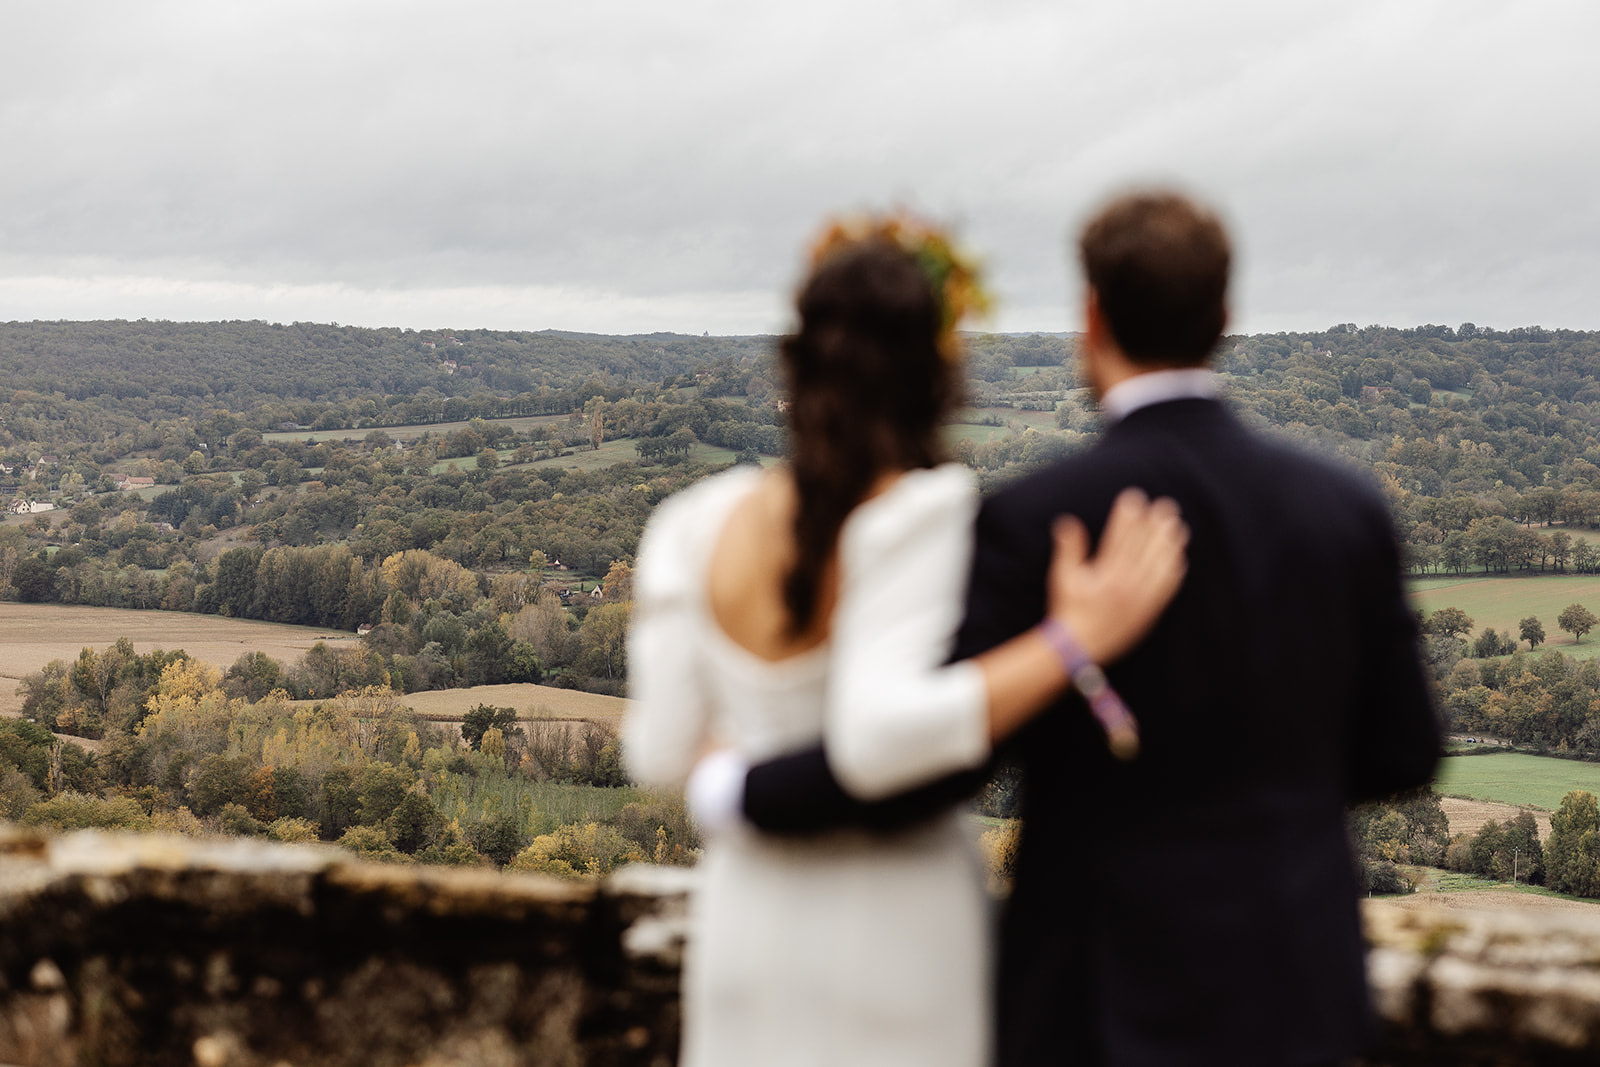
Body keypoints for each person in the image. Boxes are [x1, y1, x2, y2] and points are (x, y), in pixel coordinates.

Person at [711, 192, 1442, 1065]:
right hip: (1296, 984)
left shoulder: (1040, 518)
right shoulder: (1345, 509)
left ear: (1090, 313)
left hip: (1097, 995)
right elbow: (1406, 749)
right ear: (1224, 317)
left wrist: (741, 787)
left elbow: (935, 763)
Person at [623, 214, 1189, 1067]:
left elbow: (658, 750)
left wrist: (739, 766)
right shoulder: (922, 514)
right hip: (894, 930)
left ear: (798, 360)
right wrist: (1071, 640)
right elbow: (878, 737)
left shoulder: (692, 524)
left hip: (745, 924)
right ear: (936, 375)